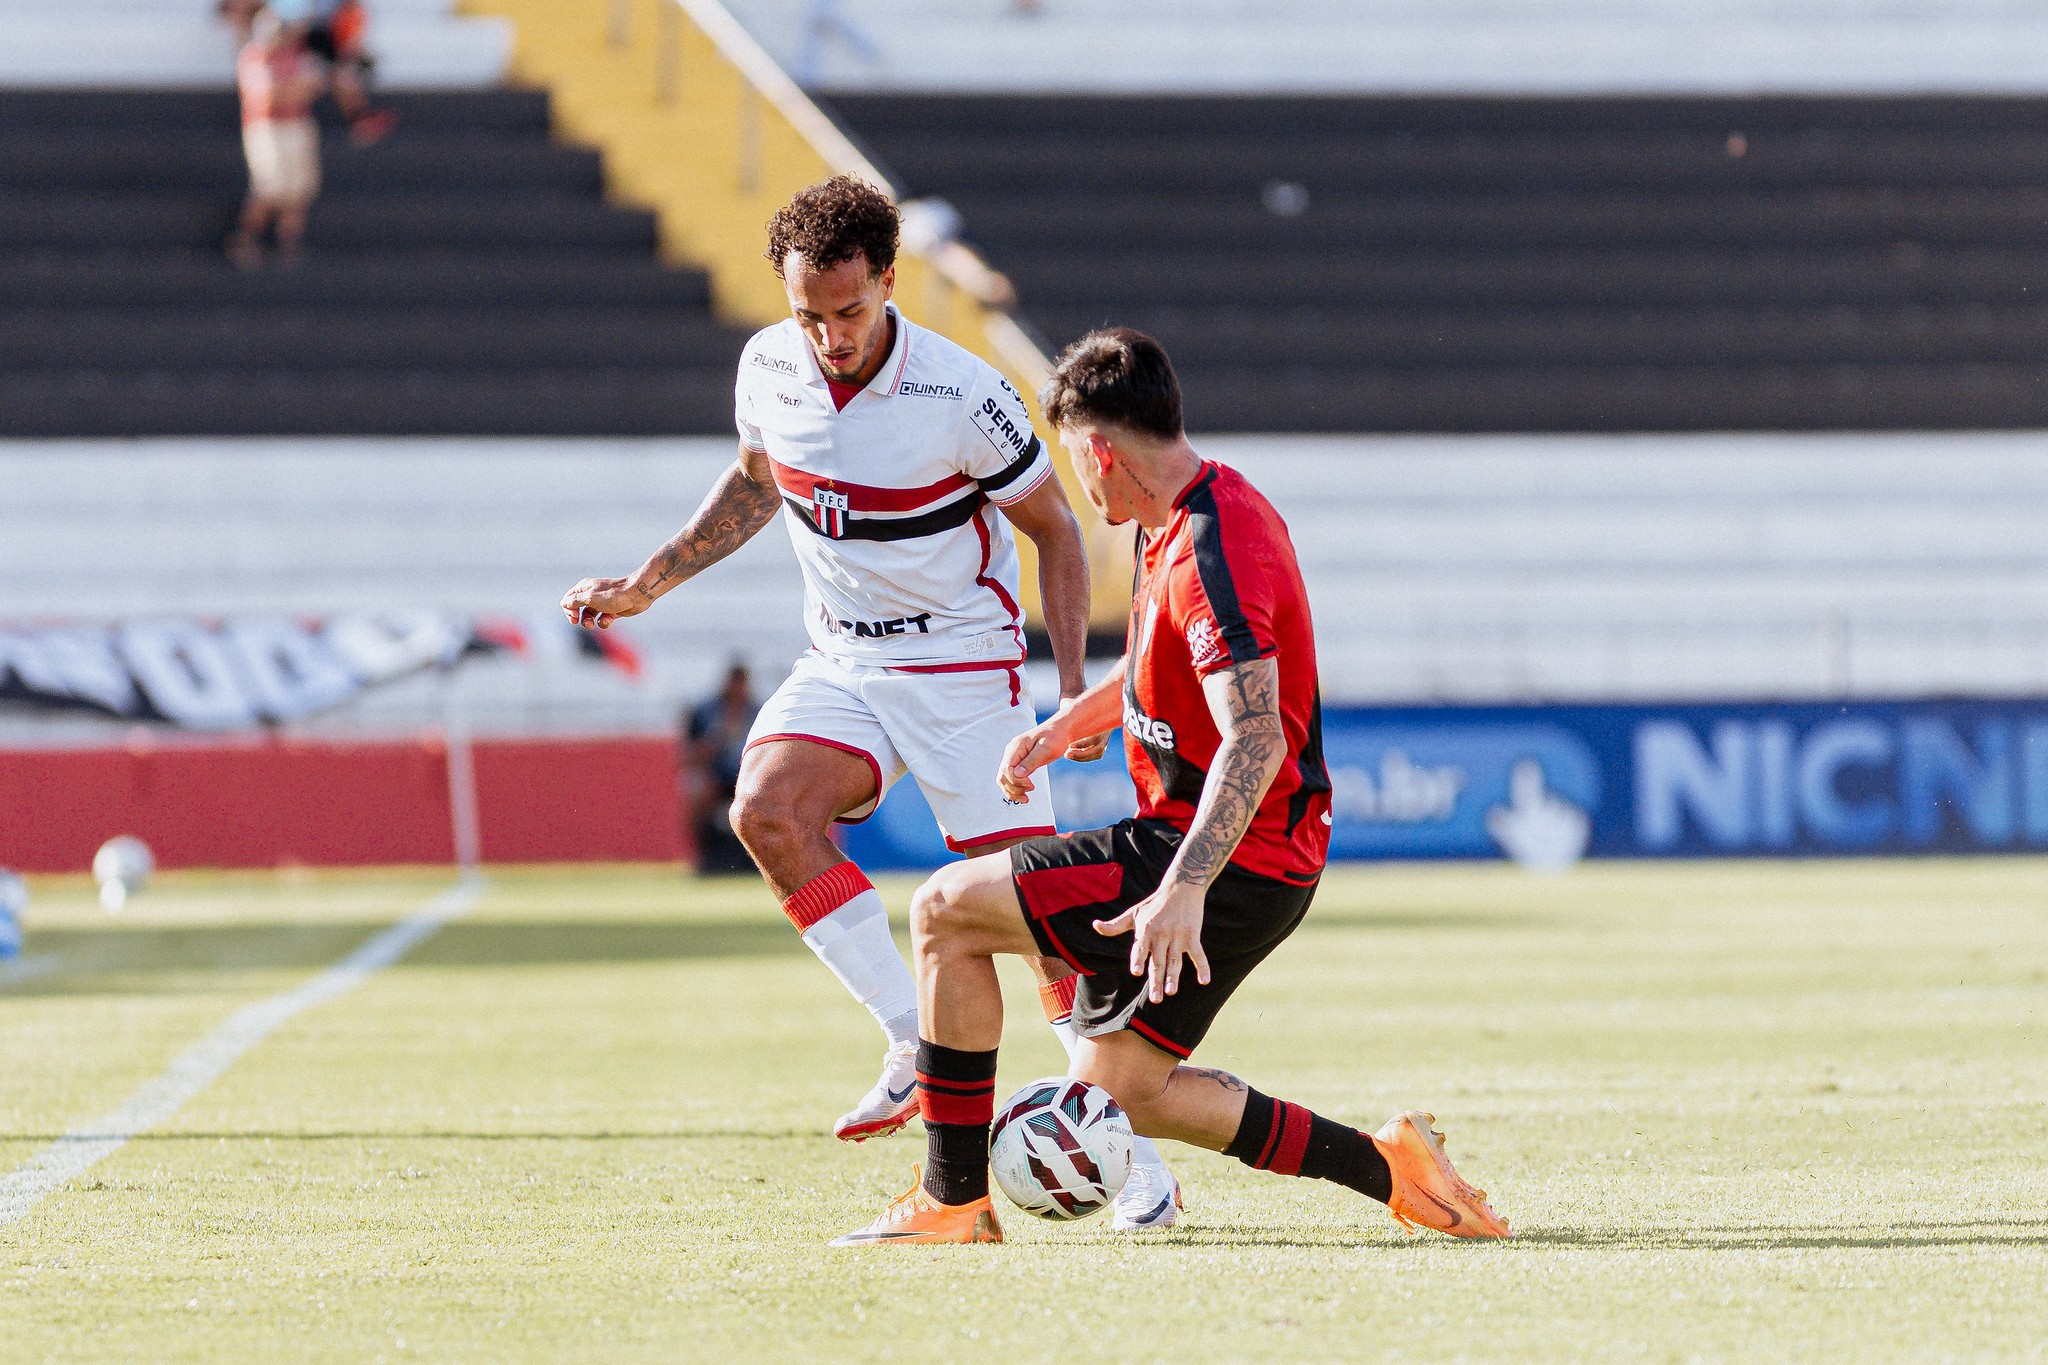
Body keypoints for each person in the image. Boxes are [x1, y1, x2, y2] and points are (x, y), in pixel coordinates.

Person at [560, 177, 1184, 1229]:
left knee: (1034, 928)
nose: (829, 335)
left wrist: (1071, 690)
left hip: (960, 667)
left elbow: (1058, 532)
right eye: (810, 312)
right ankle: (909, 1033)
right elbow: (758, 482)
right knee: (765, 810)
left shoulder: (960, 394)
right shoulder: (767, 366)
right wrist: (646, 582)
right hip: (842, 659)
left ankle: (1135, 1159)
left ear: (887, 283)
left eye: (848, 312)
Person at [831, 328, 1512, 1246]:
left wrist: (1184, 884)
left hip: (1221, 854)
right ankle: (1391, 1166)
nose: (1080, 483)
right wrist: (1072, 723)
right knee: (1127, 1091)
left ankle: (952, 1199)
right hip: (1253, 857)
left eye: (1077, 462)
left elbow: (1257, 735)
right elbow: (1173, 666)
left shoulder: (1213, 550)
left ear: (1099, 450)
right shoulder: (1190, 513)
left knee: (946, 911)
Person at [226, 9, 326, 269]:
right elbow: (267, 97)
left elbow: (314, 86)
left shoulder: (299, 56)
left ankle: (289, 243)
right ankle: (245, 239)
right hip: (268, 129)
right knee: (269, 187)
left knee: (299, 190)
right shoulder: (255, 58)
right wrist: (294, 89)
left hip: (298, 125)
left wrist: (291, 90)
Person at [683, 663, 760, 874]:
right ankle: (703, 856)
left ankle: (758, 859)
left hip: (750, 777)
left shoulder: (758, 712)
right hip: (716, 775)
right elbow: (688, 756)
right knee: (699, 796)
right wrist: (718, 737)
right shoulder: (706, 712)